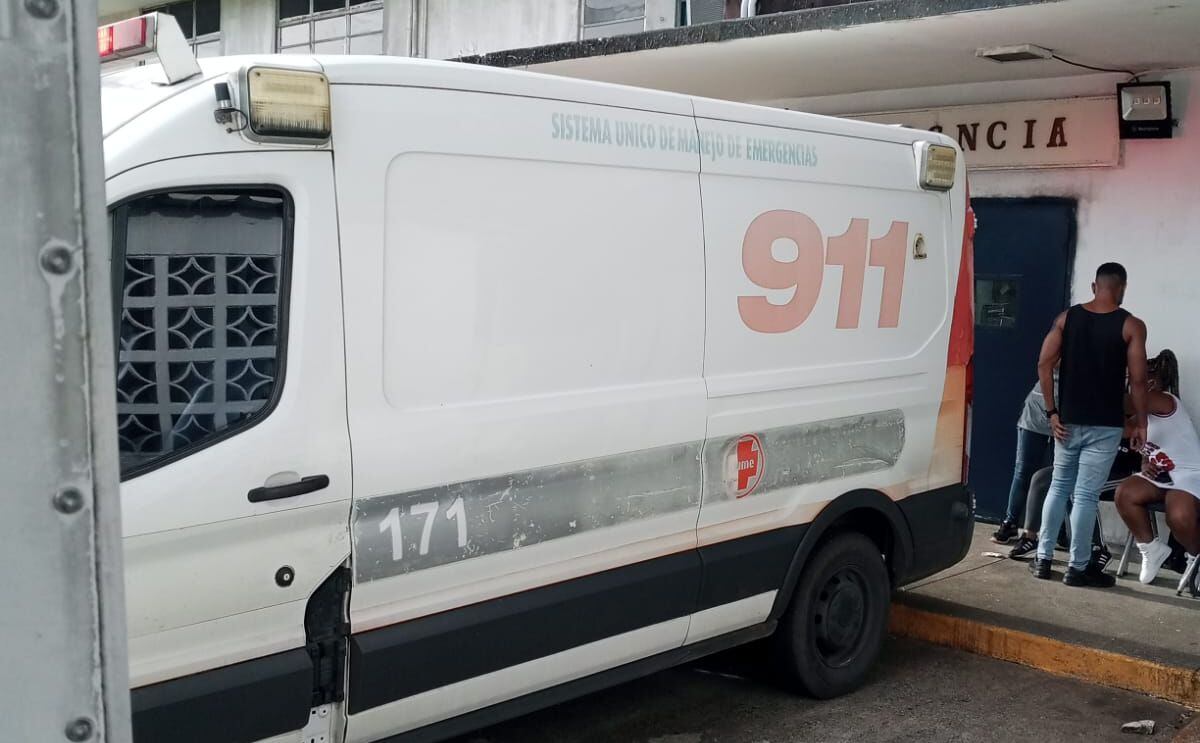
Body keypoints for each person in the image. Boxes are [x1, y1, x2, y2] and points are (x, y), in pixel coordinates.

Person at [1029, 262, 1149, 588]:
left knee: (1058, 487)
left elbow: (1043, 363)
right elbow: (1138, 380)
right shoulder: (1131, 326)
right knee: (1084, 496)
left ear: (1094, 286)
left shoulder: (1066, 319)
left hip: (1067, 421)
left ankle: (1042, 559)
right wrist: (1140, 423)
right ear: (1122, 288)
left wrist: (1052, 412)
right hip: (1105, 425)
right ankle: (1077, 567)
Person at [1114, 350, 1200, 585]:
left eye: (1138, 378)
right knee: (1125, 492)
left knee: (1178, 515)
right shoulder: (1139, 416)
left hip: (1188, 475)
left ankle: (1196, 557)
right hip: (1160, 475)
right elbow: (1117, 423)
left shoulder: (1164, 400)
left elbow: (1124, 402)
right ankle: (1151, 548)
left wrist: (1114, 375)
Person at [992, 374, 1057, 544]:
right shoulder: (1057, 348)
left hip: (1069, 415)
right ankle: (1010, 523)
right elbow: (1046, 364)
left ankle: (1061, 531)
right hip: (1037, 410)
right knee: (1023, 471)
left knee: (1060, 477)